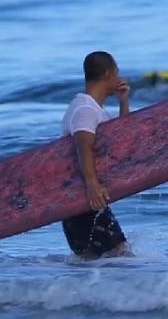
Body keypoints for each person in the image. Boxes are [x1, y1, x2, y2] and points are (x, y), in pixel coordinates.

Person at [61, 51, 132, 259]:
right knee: (120, 259)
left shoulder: (93, 109)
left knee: (98, 266)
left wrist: (123, 102)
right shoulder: (85, 109)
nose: (119, 76)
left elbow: (124, 139)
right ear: (109, 73)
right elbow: (83, 145)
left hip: (82, 204)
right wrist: (92, 184)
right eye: (117, 71)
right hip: (83, 203)